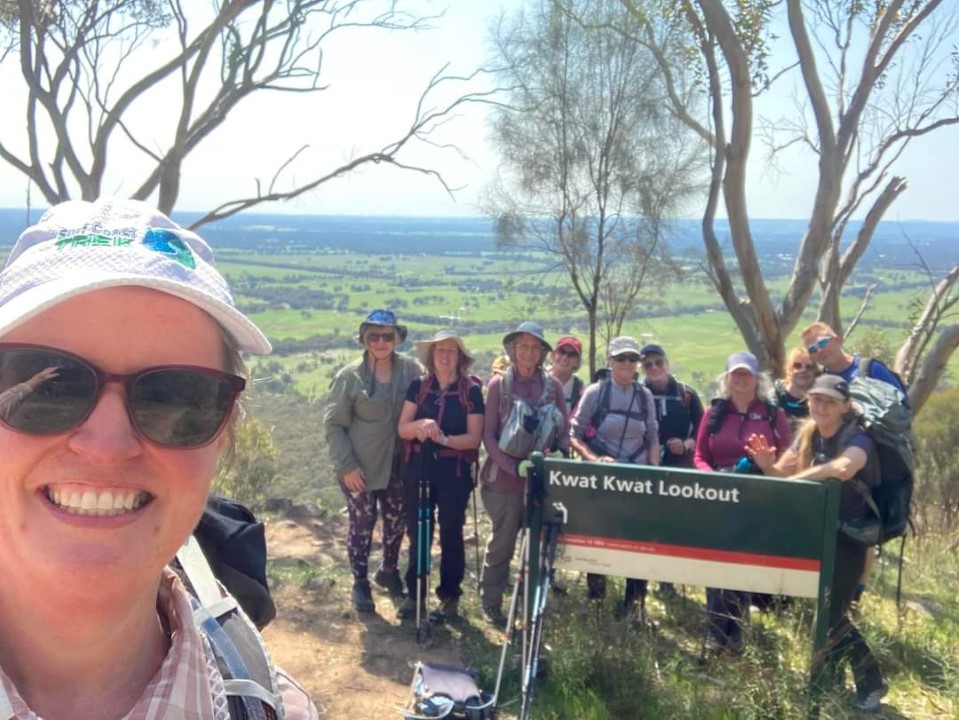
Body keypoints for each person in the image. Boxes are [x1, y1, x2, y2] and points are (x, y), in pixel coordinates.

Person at [0, 197, 317, 719]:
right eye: (45, 389)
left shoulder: (267, 708)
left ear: (223, 432)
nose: (106, 445)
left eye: (174, 396)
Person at [746, 375, 888, 712]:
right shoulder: (807, 435)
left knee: (833, 613)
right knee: (822, 613)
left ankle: (872, 681)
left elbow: (844, 467)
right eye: (816, 400)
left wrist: (800, 478)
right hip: (817, 535)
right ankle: (832, 677)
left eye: (830, 401)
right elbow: (783, 480)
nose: (821, 407)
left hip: (849, 539)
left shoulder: (857, 436)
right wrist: (768, 467)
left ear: (844, 406)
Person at [324, 309, 422, 614]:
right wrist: (346, 466)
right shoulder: (349, 376)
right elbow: (333, 425)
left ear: (396, 339)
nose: (381, 342)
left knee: (397, 520)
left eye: (387, 336)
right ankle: (360, 581)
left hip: (398, 465)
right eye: (374, 336)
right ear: (365, 339)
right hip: (360, 467)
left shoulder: (411, 371)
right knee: (362, 523)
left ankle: (388, 570)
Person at [693, 351, 792, 654]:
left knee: (744, 560)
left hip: (757, 496)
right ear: (727, 378)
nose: (740, 379)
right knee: (716, 561)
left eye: (746, 374)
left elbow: (789, 458)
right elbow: (699, 455)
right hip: (718, 495)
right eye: (735, 374)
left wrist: (766, 466)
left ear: (756, 379)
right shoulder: (714, 413)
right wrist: (711, 478)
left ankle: (736, 631)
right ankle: (714, 631)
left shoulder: (773, 415)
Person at [479, 321, 569, 626]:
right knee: (503, 543)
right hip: (503, 482)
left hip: (540, 483)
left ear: (543, 352)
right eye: (522, 346)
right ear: (512, 349)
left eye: (534, 347)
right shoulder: (498, 386)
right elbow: (488, 437)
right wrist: (513, 467)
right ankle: (491, 602)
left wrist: (557, 454)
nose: (528, 352)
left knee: (536, 548)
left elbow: (564, 433)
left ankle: (530, 606)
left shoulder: (553, 387)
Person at [570, 336, 660, 624]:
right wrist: (594, 461)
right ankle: (596, 599)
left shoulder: (644, 396)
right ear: (610, 361)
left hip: (637, 479)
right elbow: (574, 434)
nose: (627, 364)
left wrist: (653, 475)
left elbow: (653, 437)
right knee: (600, 539)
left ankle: (635, 605)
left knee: (640, 541)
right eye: (621, 358)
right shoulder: (595, 393)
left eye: (632, 359)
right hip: (604, 479)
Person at [396, 330, 484, 621]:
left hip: (454, 472)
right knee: (417, 531)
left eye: (451, 351)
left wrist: (442, 438)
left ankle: (450, 595)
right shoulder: (418, 386)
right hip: (418, 467)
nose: (445, 356)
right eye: (440, 350)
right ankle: (415, 595)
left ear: (460, 357)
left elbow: (474, 439)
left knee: (451, 532)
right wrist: (422, 424)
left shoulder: (471, 391)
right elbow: (403, 428)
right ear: (432, 356)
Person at [639, 343, 704, 601]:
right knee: (646, 525)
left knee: (672, 526)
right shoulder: (637, 393)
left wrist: (687, 445)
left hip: (679, 470)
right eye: (648, 364)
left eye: (658, 362)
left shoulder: (687, 395)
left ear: (667, 363)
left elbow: (703, 433)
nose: (654, 368)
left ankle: (667, 582)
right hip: (647, 468)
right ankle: (640, 581)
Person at [800, 321, 906, 397]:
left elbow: (902, 406)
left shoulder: (871, 369)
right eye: (812, 349)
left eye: (822, 343)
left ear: (837, 340)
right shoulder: (820, 382)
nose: (819, 351)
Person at [775, 346, 819, 431]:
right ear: (789, 369)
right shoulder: (774, 398)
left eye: (809, 367)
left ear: (815, 372)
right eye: (797, 366)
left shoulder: (819, 401)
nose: (803, 370)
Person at [549, 335, 585, 412]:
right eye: (562, 352)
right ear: (553, 355)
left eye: (572, 355)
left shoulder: (579, 389)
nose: (565, 357)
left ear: (577, 362)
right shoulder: (539, 379)